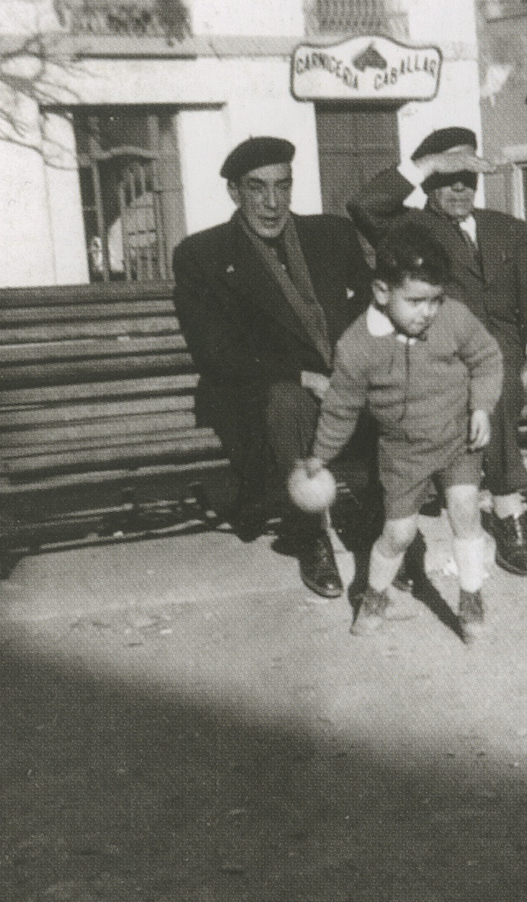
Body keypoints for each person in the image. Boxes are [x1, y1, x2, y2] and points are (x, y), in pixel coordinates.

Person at [348, 128, 527, 574]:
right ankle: (507, 512)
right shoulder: (408, 230)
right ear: (429, 181)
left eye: (469, 175)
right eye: (449, 176)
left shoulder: (508, 228)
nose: (461, 187)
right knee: (493, 378)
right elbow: (363, 205)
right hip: (454, 366)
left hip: (519, 359)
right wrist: (428, 164)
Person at [173, 137, 373, 598]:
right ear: (234, 193)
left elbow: (371, 311)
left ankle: (389, 534)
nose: (272, 202)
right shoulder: (203, 256)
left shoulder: (331, 236)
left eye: (282, 186)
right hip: (256, 393)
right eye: (257, 188)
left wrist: (353, 368)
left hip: (339, 382)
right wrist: (302, 375)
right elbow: (214, 352)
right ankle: (311, 536)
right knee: (288, 402)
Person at [299, 225, 503, 641]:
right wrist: (320, 456)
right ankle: (374, 594)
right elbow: (341, 406)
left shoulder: (453, 318)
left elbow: (487, 358)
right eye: (415, 301)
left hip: (457, 439)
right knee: (399, 534)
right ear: (381, 291)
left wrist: (482, 406)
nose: (427, 312)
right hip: (403, 453)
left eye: (435, 300)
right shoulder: (357, 345)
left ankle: (470, 598)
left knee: (465, 512)